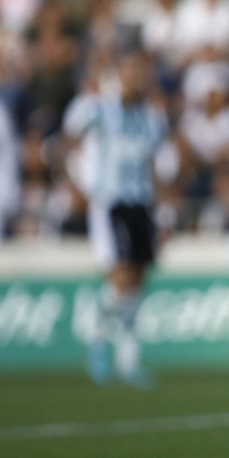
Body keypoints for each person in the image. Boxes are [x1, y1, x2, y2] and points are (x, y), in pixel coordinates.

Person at [63, 52, 168, 387]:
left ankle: (128, 359)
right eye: (129, 71)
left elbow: (151, 164)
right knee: (121, 275)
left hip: (142, 201)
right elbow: (67, 143)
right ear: (118, 75)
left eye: (140, 72)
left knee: (137, 278)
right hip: (111, 201)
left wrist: (163, 208)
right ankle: (96, 336)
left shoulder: (152, 117)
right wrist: (76, 185)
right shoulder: (98, 109)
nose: (135, 78)